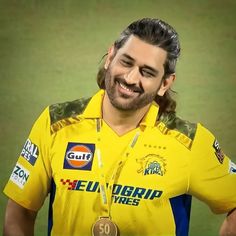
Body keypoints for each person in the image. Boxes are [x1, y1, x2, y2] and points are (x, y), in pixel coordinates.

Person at [3, 18, 236, 236]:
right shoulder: (55, 123)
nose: (131, 78)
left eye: (147, 72)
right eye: (126, 62)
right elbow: (20, 211)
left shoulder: (189, 141)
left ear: (165, 83)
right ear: (110, 56)